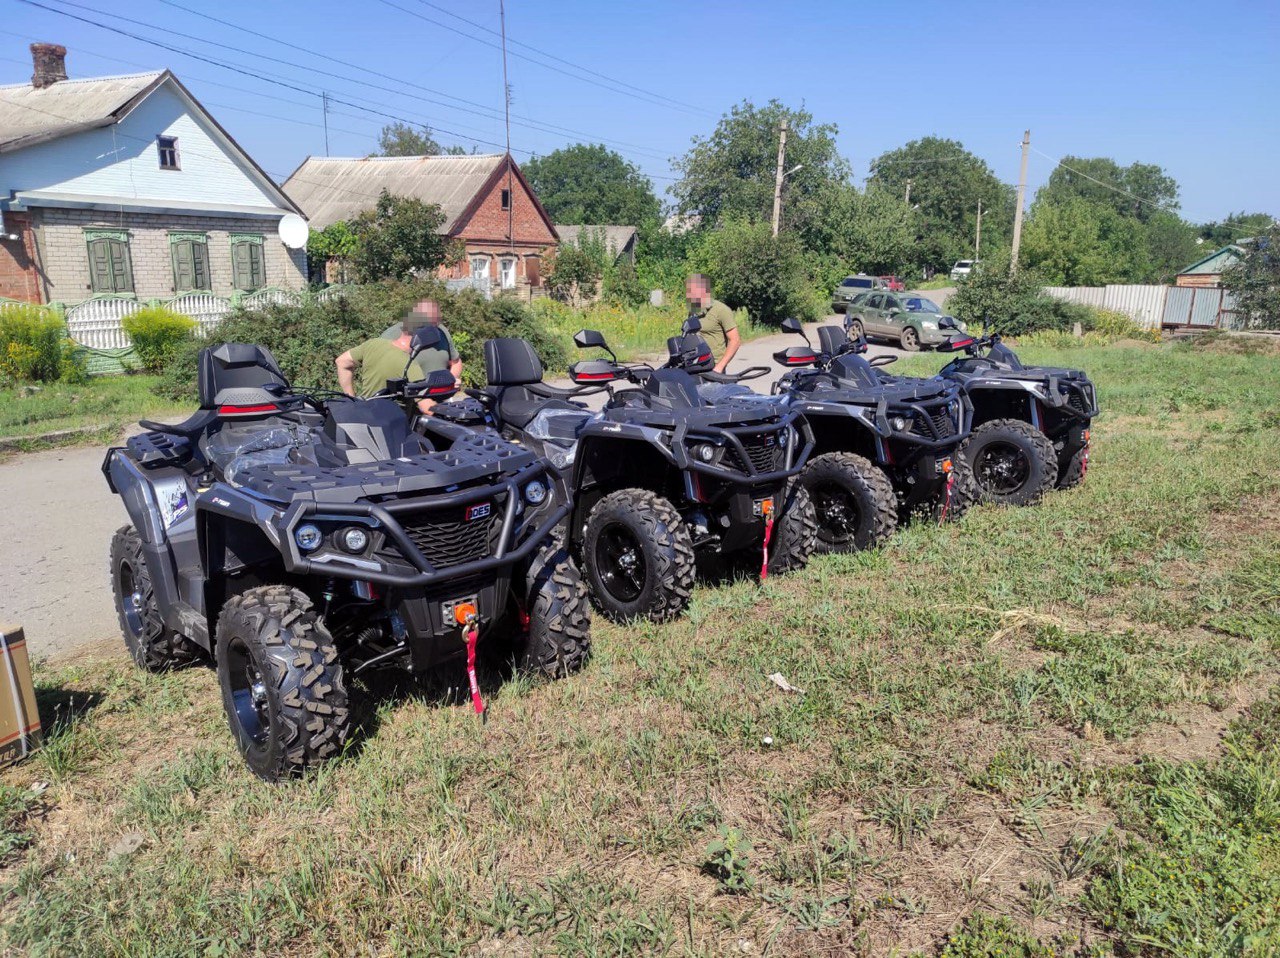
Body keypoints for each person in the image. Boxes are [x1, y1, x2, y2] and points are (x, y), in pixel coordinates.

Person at [335, 301, 461, 415]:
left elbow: (341, 361)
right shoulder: (410, 366)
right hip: (392, 424)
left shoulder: (373, 344)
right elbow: (426, 407)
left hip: (365, 416)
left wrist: (351, 400)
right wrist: (455, 414)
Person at [685, 274, 740, 373]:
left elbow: (735, 340)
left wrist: (720, 367)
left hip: (713, 366)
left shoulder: (721, 310)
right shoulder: (693, 311)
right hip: (695, 364)